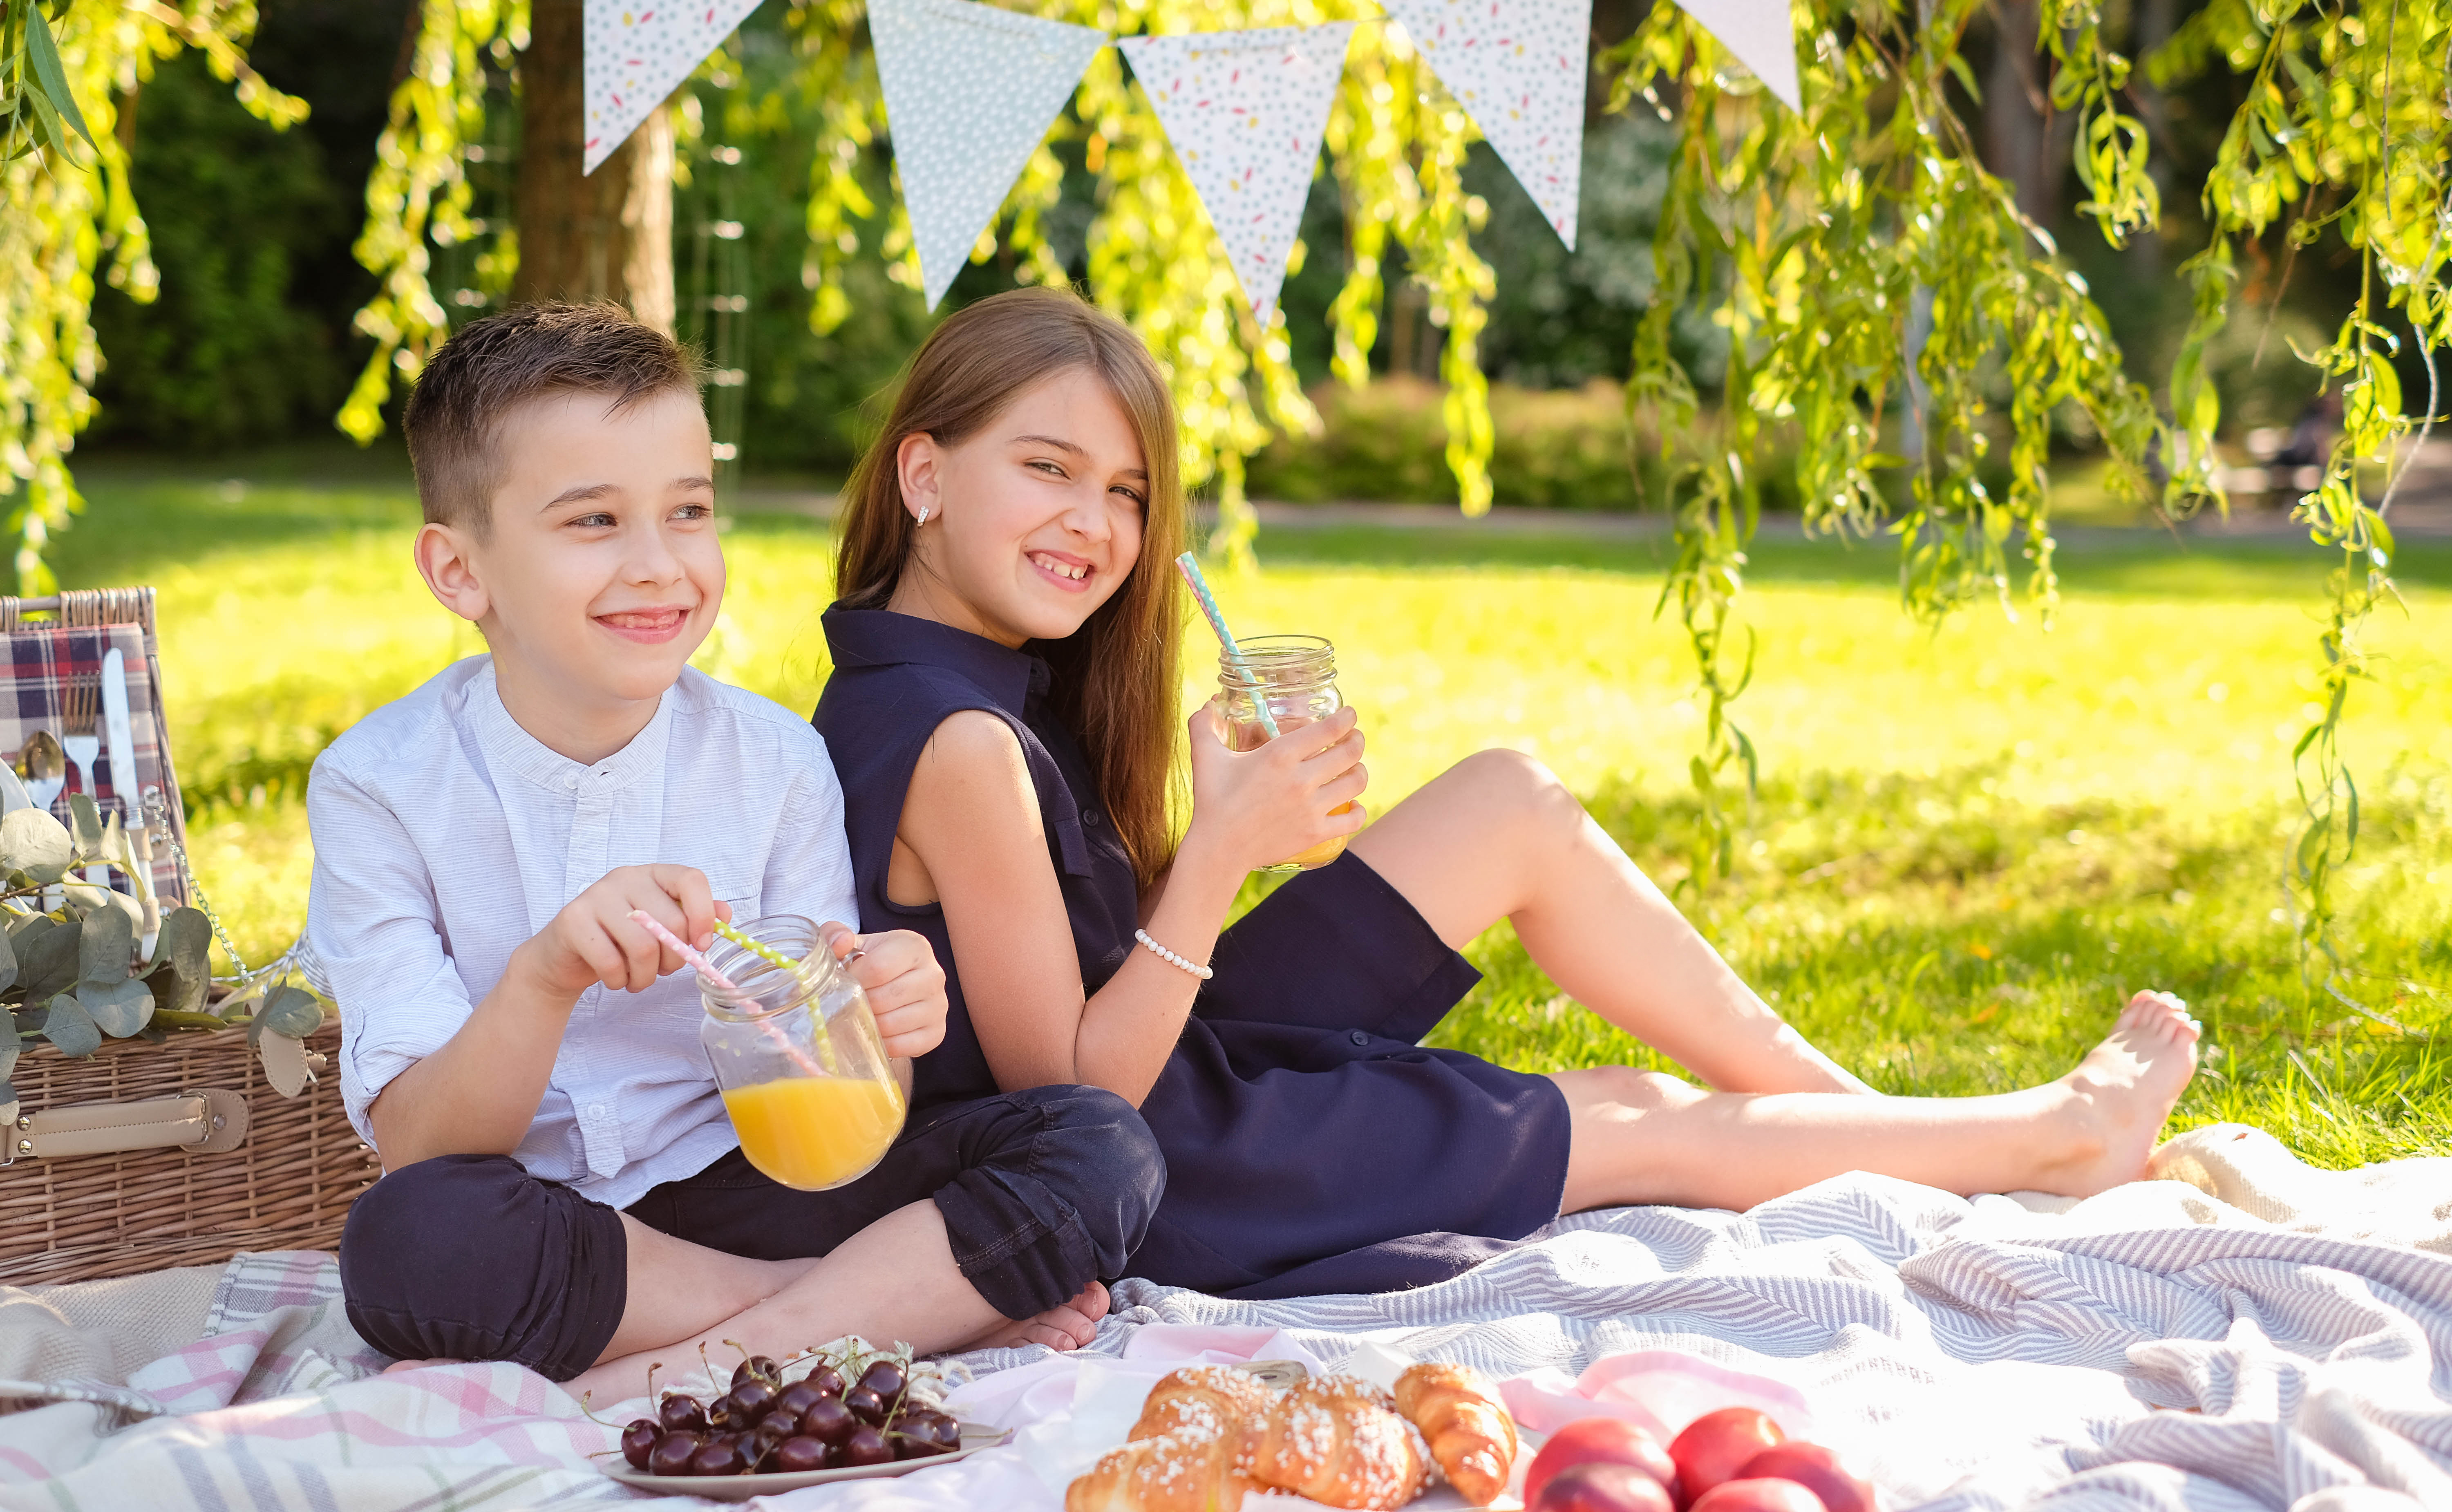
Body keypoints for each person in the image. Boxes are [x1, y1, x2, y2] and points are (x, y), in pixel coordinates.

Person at [812, 287, 2204, 1299]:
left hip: (1169, 1054)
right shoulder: (958, 741)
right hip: (1165, 1164)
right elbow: (1079, 1102)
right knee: (1631, 1117)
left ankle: (1905, 1139)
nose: (1096, 524)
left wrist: (1219, 836)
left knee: (1508, 801)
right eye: (1046, 469)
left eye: (1124, 490)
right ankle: (2052, 1136)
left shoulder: (960, 679)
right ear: (924, 473)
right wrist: (1226, 847)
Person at [309, 302, 1165, 1396]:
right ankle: (857, 1311)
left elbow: (839, 1108)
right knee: (407, 1243)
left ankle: (682, 1372)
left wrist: (883, 1026)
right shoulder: (378, 785)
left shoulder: (774, 760)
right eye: (593, 523)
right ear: (460, 572)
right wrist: (546, 972)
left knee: (1100, 1149)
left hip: (752, 1184)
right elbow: (423, 1140)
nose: (661, 566)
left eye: (689, 512)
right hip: (553, 1227)